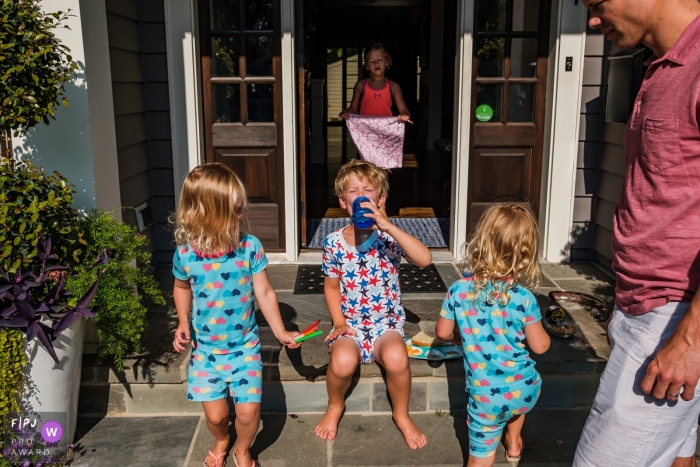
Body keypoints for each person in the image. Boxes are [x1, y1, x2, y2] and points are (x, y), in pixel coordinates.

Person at [575, 1, 700, 466]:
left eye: (597, 3)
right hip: (644, 305)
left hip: (675, 317)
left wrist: (691, 338)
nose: (592, 19)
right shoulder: (659, 68)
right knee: (674, 455)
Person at [170, 163, 301, 467]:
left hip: (244, 348)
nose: (242, 216)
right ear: (207, 214)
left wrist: (281, 332)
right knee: (216, 417)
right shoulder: (186, 254)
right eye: (236, 210)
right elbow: (181, 287)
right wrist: (182, 321)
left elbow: (265, 292)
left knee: (248, 413)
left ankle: (243, 448)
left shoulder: (248, 248)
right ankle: (222, 439)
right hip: (206, 352)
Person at [314, 159, 432, 449]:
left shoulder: (391, 237)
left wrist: (388, 225)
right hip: (351, 324)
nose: (361, 195)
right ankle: (334, 406)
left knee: (396, 357)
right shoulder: (333, 243)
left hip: (386, 325)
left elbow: (424, 259)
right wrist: (339, 322)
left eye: (369, 190)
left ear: (381, 199)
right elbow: (330, 287)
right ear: (343, 201)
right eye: (353, 190)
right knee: (342, 362)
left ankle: (401, 414)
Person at [435, 205, 550, 467]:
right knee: (514, 405)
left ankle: (502, 444)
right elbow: (540, 347)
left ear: (481, 243)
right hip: (525, 389)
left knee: (480, 458)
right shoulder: (524, 298)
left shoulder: (458, 290)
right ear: (525, 252)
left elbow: (442, 333)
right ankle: (513, 444)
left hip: (486, 398)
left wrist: (458, 337)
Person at [338, 43, 411, 123]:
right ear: (366, 66)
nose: (376, 64)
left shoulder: (394, 87)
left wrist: (404, 115)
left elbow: (404, 111)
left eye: (380, 60)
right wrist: (346, 112)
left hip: (385, 131)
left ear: (387, 62)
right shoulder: (361, 85)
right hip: (365, 131)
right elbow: (353, 109)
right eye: (372, 61)